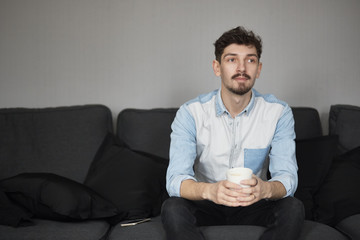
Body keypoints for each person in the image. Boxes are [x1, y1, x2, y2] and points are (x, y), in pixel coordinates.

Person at [161, 26, 305, 240]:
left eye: (250, 60)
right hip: (206, 204)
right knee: (172, 207)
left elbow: (287, 177)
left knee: (293, 207)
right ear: (217, 67)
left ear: (259, 68)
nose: (241, 68)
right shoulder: (191, 113)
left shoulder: (278, 112)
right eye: (231, 60)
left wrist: (264, 189)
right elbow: (175, 179)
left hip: (254, 204)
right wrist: (209, 191)